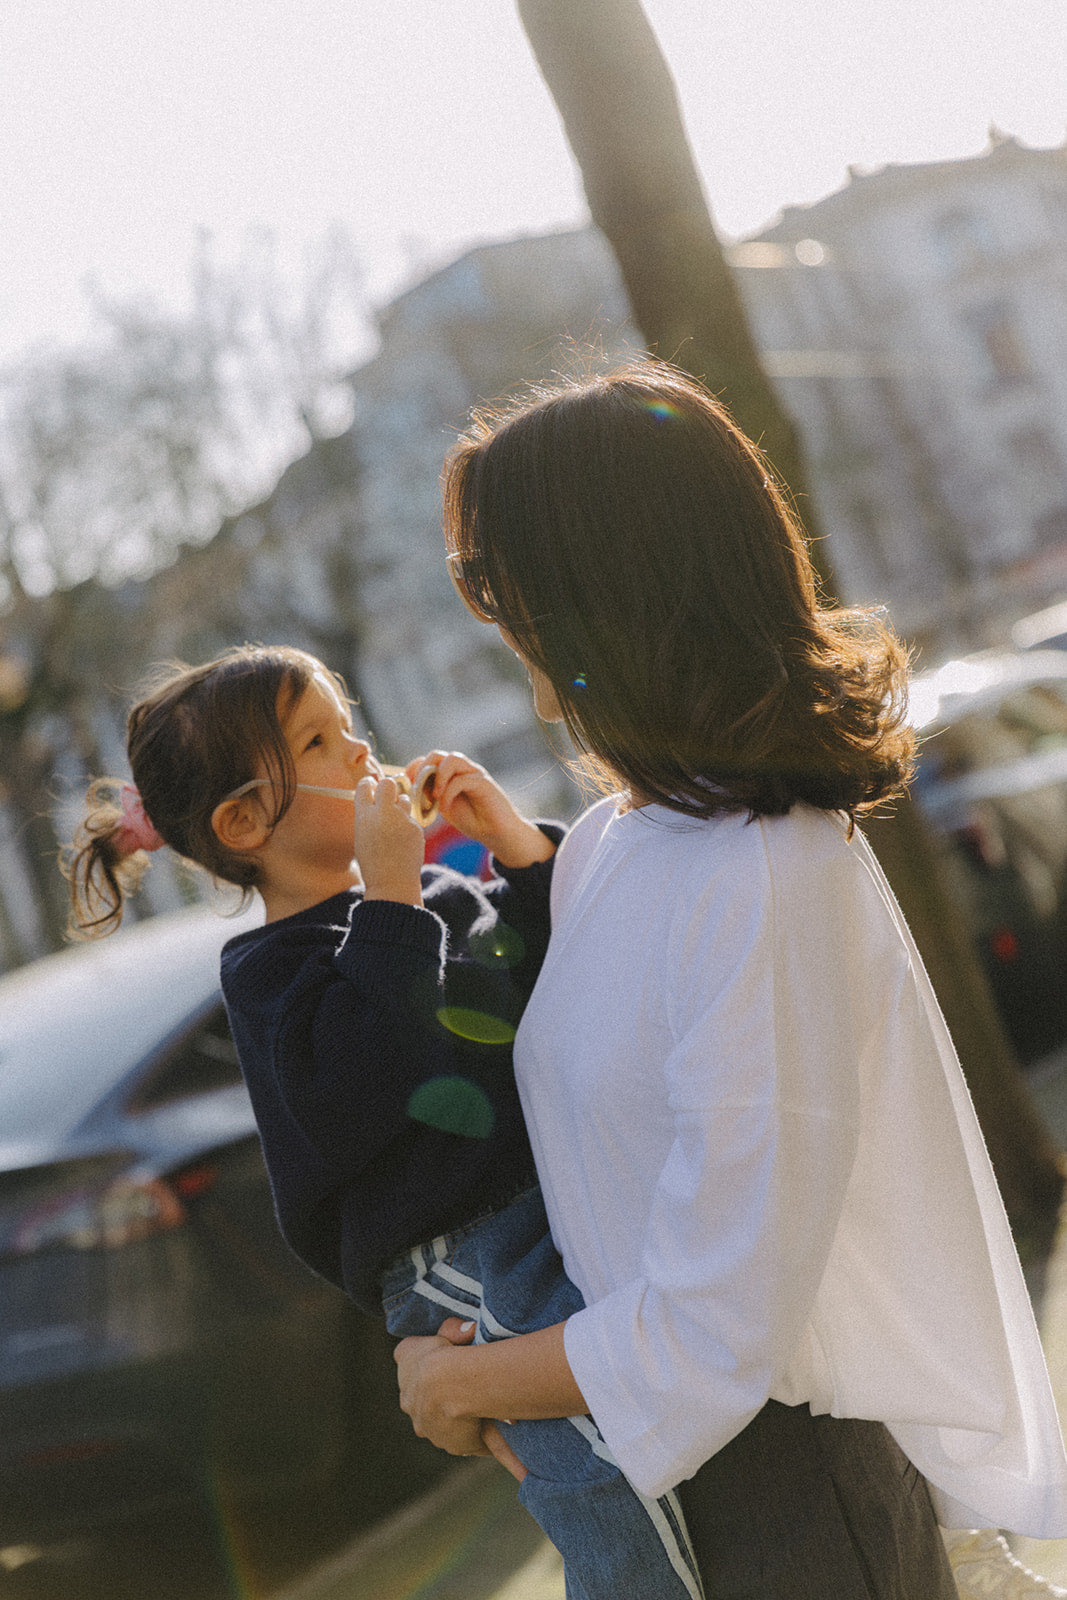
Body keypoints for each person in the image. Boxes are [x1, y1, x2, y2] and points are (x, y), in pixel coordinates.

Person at [394, 360, 1067, 1600]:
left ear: (602, 585)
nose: (489, 618)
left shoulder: (772, 871)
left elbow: (722, 1319)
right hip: (653, 1486)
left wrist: (466, 1380)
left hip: (793, 1511)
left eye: (500, 579)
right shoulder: (609, 842)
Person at [65, 642, 706, 1600]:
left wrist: (518, 850)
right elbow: (367, 1081)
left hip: (546, 1210)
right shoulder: (274, 974)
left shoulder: (431, 901)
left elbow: (560, 974)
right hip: (457, 1253)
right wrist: (395, 892)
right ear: (245, 822)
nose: (363, 753)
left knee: (662, 1415)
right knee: (602, 1456)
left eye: (349, 723)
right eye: (322, 742)